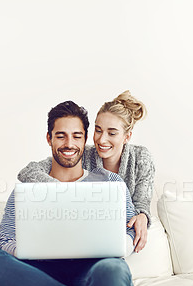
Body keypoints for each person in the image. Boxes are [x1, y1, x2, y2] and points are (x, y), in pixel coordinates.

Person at [0, 100, 149, 286]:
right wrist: (30, 250)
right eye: (61, 136)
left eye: (76, 136)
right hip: (37, 271)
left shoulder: (111, 183)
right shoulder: (26, 188)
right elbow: (5, 240)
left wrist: (126, 236)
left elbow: (129, 231)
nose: (69, 144)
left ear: (85, 139)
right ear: (49, 139)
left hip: (92, 270)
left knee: (112, 269)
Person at [18, 91, 155, 253]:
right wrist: (63, 192)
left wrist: (142, 216)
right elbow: (28, 171)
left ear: (127, 136)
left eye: (112, 133)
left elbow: (142, 203)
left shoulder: (141, 157)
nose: (102, 140)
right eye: (98, 130)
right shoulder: (84, 155)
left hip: (120, 233)